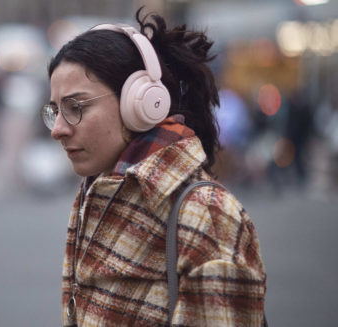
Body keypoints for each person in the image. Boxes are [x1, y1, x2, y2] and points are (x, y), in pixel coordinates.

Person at [40, 9, 267, 327]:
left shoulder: (208, 215)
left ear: (142, 103)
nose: (58, 129)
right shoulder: (96, 191)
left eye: (75, 107)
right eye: (55, 110)